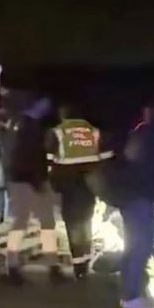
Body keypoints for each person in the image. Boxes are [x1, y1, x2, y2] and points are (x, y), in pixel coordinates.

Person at [48, 104, 113, 279]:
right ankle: (86, 259)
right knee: (86, 219)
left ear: (63, 116)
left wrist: (52, 182)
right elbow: (107, 158)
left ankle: (79, 265)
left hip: (68, 184)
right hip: (89, 183)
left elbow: (49, 160)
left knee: (73, 222)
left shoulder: (58, 132)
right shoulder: (94, 131)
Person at [118, 105, 154, 308]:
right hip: (140, 200)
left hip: (127, 198)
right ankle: (131, 296)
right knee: (142, 246)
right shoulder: (153, 140)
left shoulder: (137, 134)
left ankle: (128, 290)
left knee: (132, 245)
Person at [4, 98, 62, 283]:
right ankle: (47, 266)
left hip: (22, 179)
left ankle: (15, 265)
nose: (48, 108)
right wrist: (40, 181)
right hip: (29, 180)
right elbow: (31, 156)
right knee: (38, 222)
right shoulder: (30, 127)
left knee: (27, 222)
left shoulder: (20, 124)